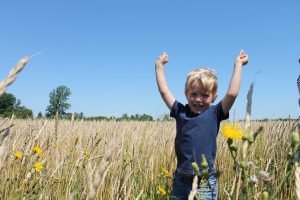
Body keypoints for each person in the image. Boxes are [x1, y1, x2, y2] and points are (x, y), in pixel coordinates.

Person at [155, 50, 249, 199]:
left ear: (213, 97)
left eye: (205, 95)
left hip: (205, 181)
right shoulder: (180, 111)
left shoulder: (215, 113)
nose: (198, 99)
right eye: (193, 94)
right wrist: (159, 66)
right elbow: (164, 91)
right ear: (186, 94)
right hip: (181, 179)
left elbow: (232, 93)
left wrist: (238, 65)